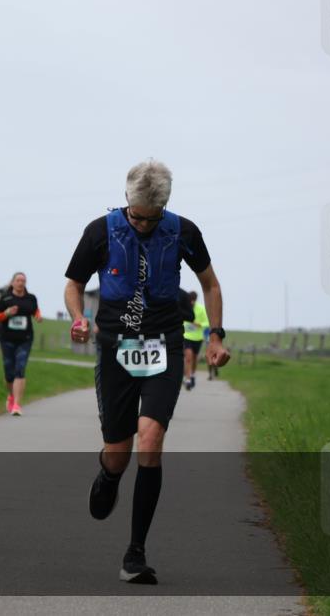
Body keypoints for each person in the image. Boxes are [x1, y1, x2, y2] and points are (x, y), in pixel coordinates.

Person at [63, 159, 230, 585]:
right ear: (125, 203)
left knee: (151, 441)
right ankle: (108, 474)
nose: (141, 225)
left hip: (165, 346)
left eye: (149, 219)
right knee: (119, 452)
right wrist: (79, 318)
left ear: (163, 209)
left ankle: (135, 552)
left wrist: (215, 336)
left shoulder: (183, 232)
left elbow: (210, 284)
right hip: (115, 347)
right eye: (135, 216)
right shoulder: (100, 232)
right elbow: (74, 284)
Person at [0, 272, 43, 416]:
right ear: (13, 282)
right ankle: (11, 396)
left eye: (23, 280)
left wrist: (38, 317)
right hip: (7, 339)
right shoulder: (5, 298)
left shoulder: (31, 298)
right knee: (9, 373)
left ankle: (16, 405)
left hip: (25, 339)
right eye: (18, 280)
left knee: (20, 369)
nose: (21, 283)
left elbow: (35, 310)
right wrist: (6, 313)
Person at [183, 290, 209, 390]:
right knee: (188, 357)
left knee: (194, 358)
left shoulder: (201, 309)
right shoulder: (184, 307)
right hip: (187, 336)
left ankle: (193, 375)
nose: (191, 303)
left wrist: (200, 325)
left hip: (198, 337)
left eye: (193, 301)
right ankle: (188, 379)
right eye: (190, 301)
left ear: (196, 300)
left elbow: (207, 323)